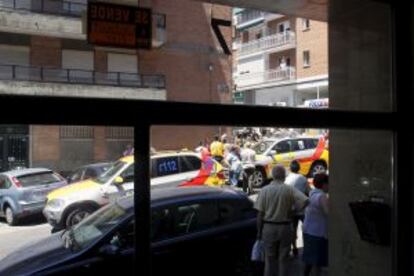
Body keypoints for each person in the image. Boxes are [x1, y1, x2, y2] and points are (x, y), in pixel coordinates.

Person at [255, 165, 309, 276]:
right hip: (285, 227)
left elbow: (260, 214)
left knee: (269, 260)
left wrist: (259, 232)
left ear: (273, 176)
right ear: (284, 176)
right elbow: (306, 201)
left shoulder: (265, 190)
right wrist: (295, 211)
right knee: (283, 259)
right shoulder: (289, 189)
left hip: (269, 227)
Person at [302, 173, 329, 276]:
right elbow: (328, 213)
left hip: (308, 230)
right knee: (317, 262)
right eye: (328, 183)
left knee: (309, 259)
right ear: (324, 184)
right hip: (317, 233)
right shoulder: (322, 196)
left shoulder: (312, 193)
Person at [285, 160, 310, 257]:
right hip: (302, 208)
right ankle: (307, 248)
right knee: (307, 229)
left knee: (293, 229)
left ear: (290, 168)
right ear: (299, 168)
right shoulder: (303, 179)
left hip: (291, 209)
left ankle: (294, 247)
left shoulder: (286, 180)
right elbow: (308, 192)